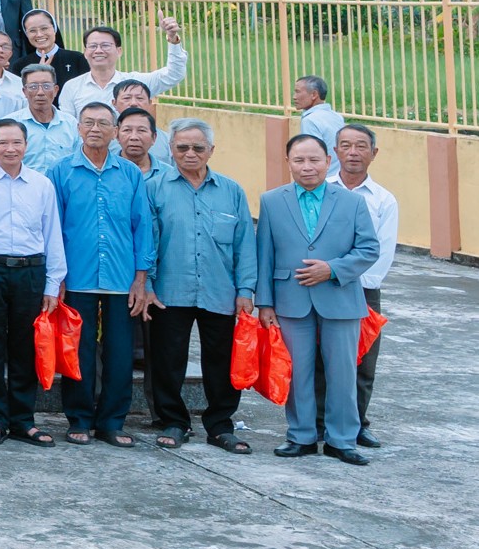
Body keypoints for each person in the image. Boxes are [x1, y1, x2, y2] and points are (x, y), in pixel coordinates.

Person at [257, 132, 378, 463]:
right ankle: (301, 436)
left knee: (342, 372)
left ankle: (342, 439)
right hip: (290, 299)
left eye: (314, 160)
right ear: (288, 163)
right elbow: (264, 254)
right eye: (299, 160)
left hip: (340, 297)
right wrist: (264, 303)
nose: (306, 167)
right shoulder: (271, 200)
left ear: (328, 161)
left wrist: (333, 269)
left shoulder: (352, 202)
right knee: (298, 372)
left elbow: (369, 249)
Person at [144, 118, 255, 453]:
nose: (189, 154)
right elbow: (148, 242)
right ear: (171, 149)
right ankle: (174, 421)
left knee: (221, 361)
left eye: (197, 148)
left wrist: (246, 291)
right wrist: (146, 285)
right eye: (182, 147)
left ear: (211, 151)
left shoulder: (232, 191)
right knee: (167, 359)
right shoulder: (155, 188)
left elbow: (245, 245)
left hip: (220, 291)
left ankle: (220, 425)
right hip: (169, 291)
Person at [48, 101, 153, 447]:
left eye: (103, 124)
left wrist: (141, 278)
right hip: (76, 277)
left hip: (122, 280)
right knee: (78, 352)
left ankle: (112, 422)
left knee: (121, 354)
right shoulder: (60, 172)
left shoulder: (130, 174)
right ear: (78, 128)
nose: (95, 129)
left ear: (115, 132)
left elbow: (143, 227)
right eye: (88, 123)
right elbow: (52, 228)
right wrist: (56, 277)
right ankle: (78, 418)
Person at [0, 119, 64, 445]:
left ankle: (23, 419)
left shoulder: (41, 184)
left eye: (16, 142)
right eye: (3, 143)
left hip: (30, 270)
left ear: (26, 145)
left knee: (25, 346)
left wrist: (52, 284)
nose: (10, 149)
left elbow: (52, 236)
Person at [330, 124, 398, 447]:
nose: (353, 153)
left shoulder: (384, 200)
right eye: (345, 146)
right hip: (321, 284)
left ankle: (357, 423)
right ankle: (319, 423)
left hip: (363, 289)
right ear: (335, 151)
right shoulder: (320, 189)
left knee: (363, 361)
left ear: (374, 153)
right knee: (319, 358)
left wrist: (350, 278)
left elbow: (382, 253)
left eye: (360, 146)